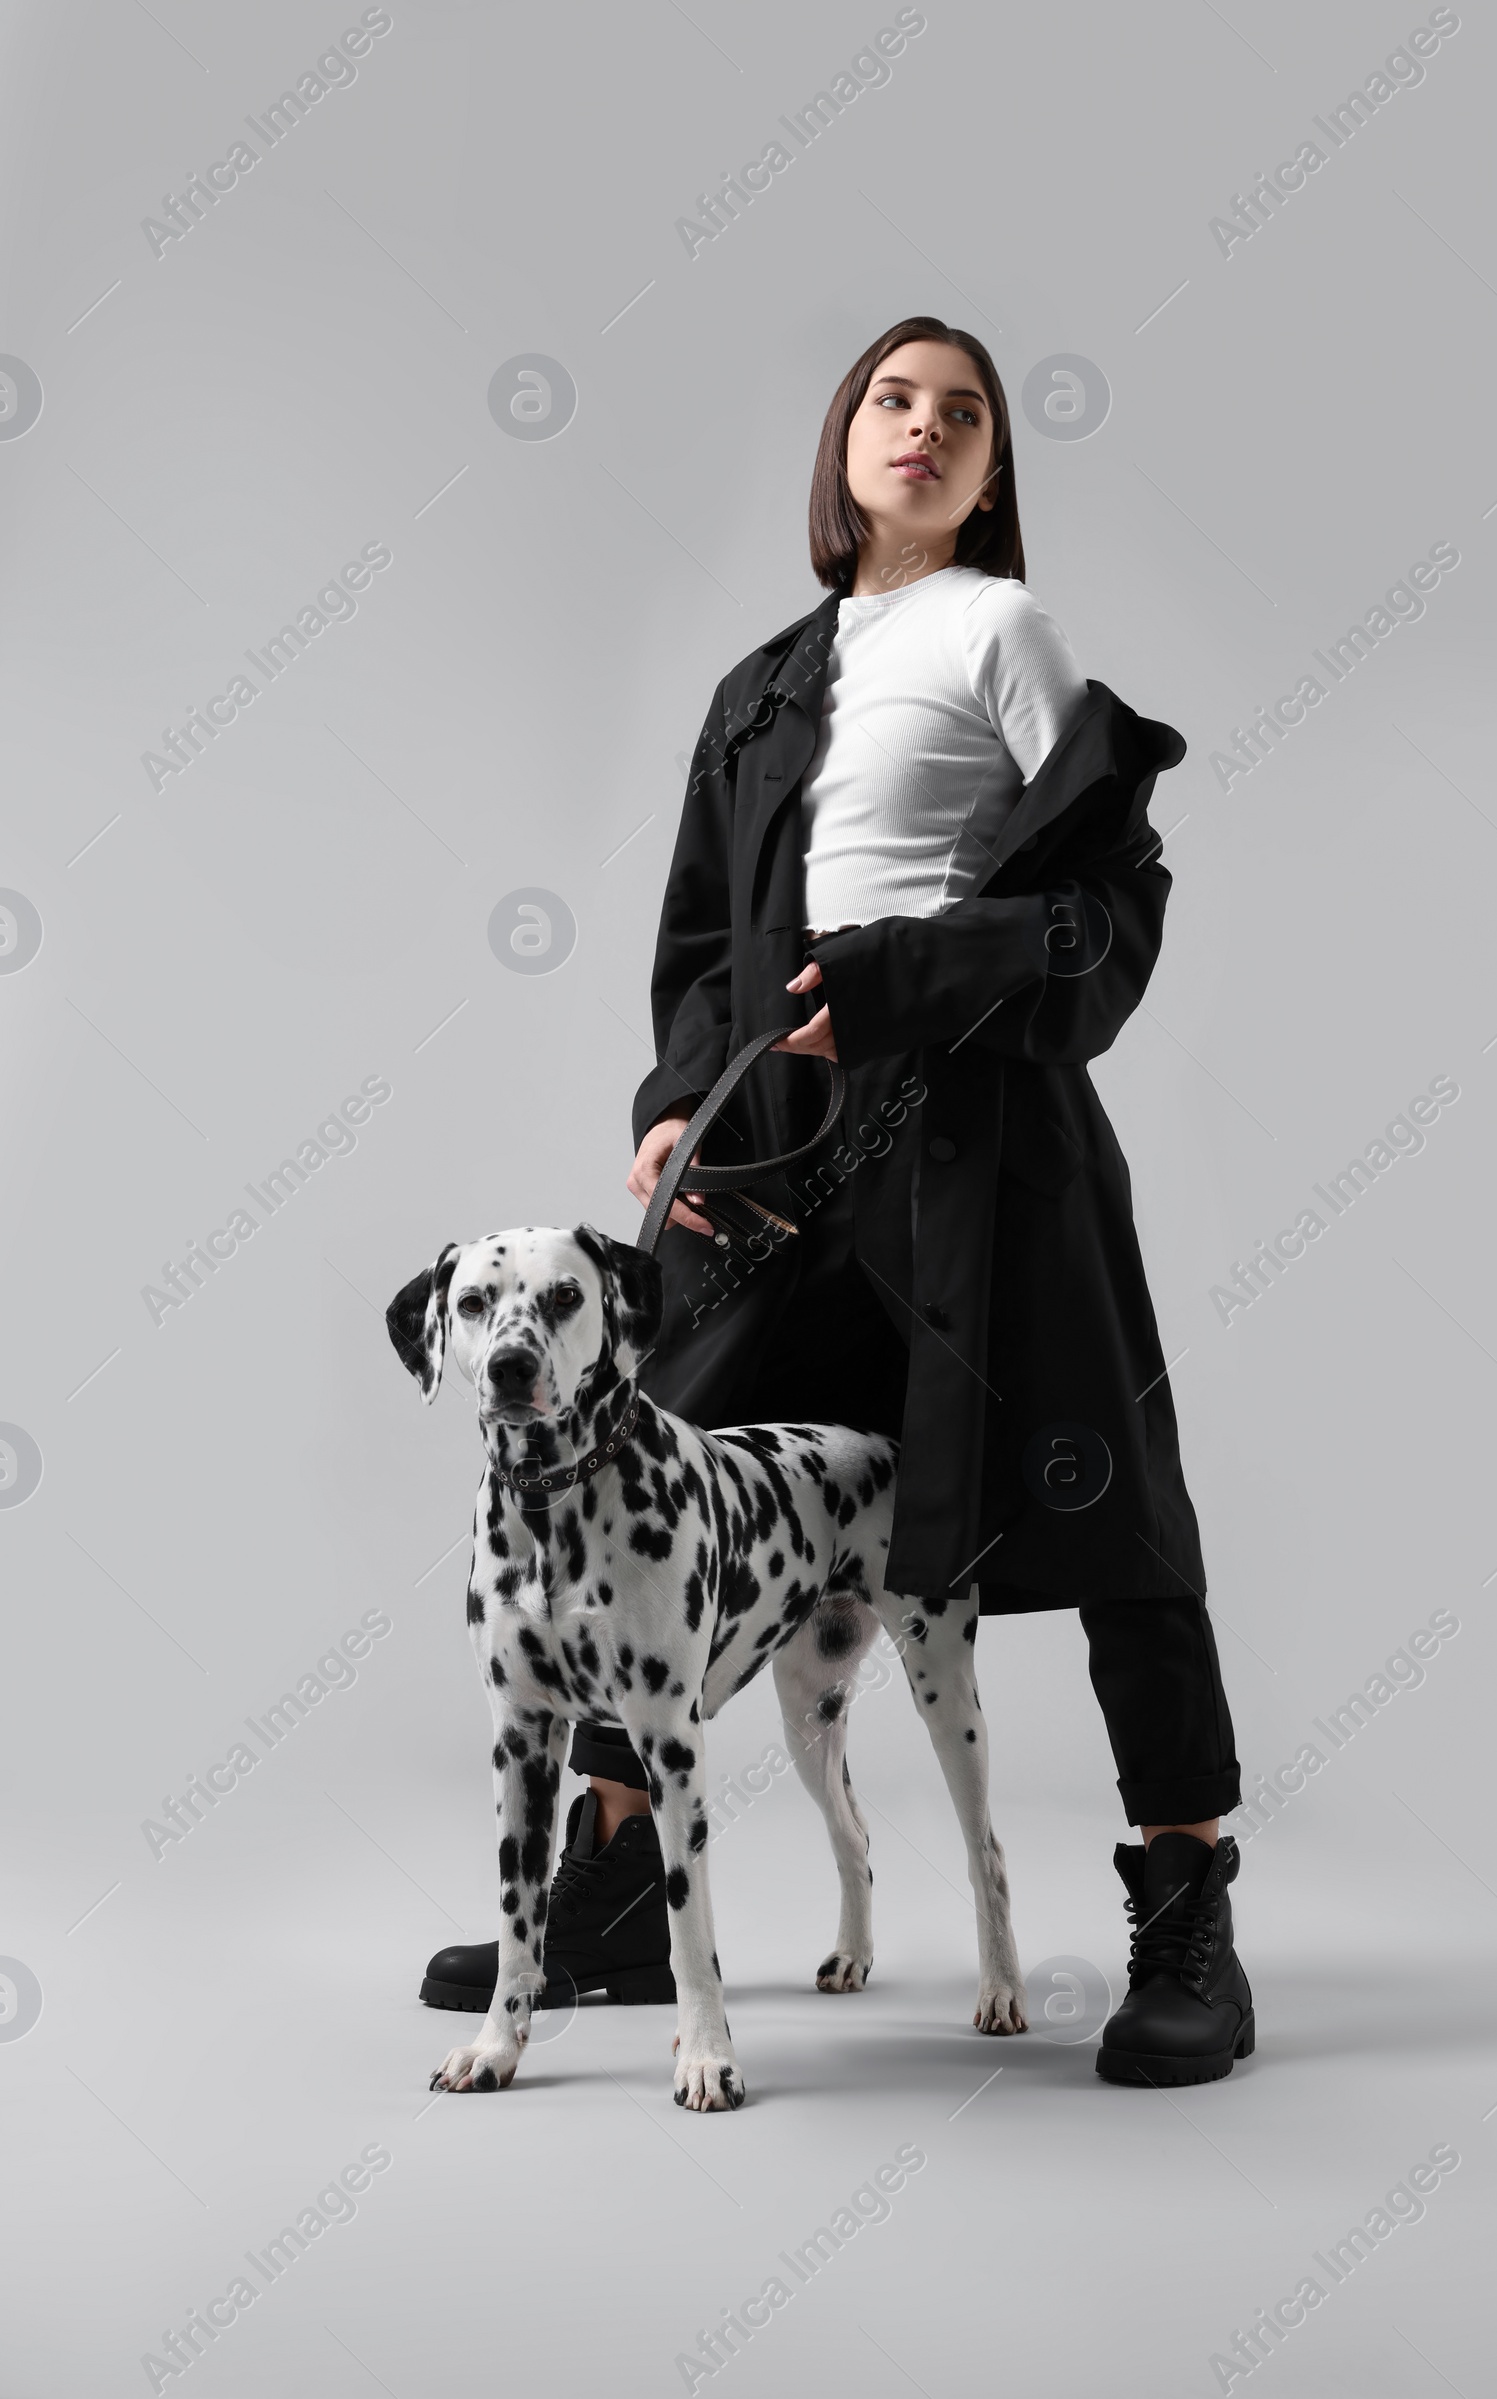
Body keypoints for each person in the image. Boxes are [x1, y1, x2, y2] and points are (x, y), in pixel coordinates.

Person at [422, 315, 1252, 2086]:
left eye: (965, 415)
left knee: (1113, 1516)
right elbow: (709, 944)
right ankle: (614, 1894)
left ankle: (1188, 1909)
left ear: (991, 470)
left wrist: (909, 975)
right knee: (661, 1463)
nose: (926, 430)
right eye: (895, 401)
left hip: (987, 1140)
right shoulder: (761, 685)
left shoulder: (1002, 629)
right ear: (845, 440)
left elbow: (1107, 907)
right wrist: (670, 1106)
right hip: (787, 1154)